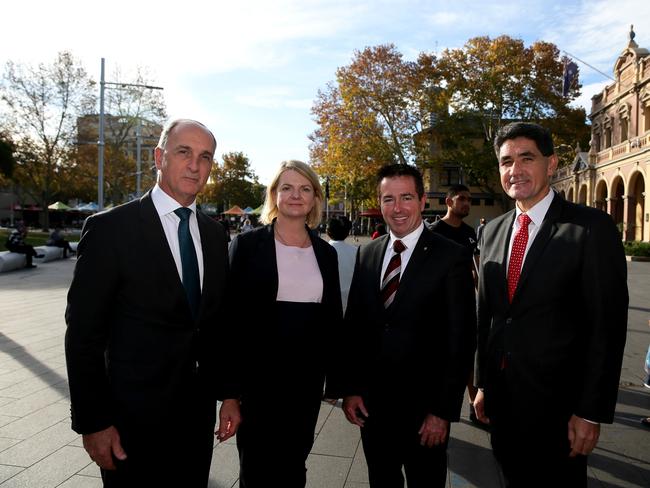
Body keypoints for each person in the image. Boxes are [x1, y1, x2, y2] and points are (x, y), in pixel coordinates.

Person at [65, 119, 241, 487]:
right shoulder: (110, 229)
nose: (195, 165)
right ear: (159, 157)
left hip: (195, 421)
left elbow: (217, 325)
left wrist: (228, 394)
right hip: (130, 425)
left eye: (205, 157)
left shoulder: (213, 234)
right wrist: (94, 422)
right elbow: (84, 336)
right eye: (184, 152)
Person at [474, 122, 628, 487]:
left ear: (553, 163)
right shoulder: (491, 231)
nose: (515, 170)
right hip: (504, 404)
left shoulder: (591, 228)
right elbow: (488, 317)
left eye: (527, 158)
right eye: (506, 161)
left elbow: (606, 327)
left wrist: (590, 412)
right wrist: (482, 383)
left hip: (560, 412)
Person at [331, 164, 476, 487]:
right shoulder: (367, 253)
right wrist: (350, 390)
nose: (397, 208)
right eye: (388, 199)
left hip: (426, 413)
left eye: (406, 197)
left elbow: (461, 339)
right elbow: (354, 326)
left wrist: (442, 412)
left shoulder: (451, 256)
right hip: (372, 408)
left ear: (423, 201)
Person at [227, 160, 343, 487]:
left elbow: (332, 319)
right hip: (257, 385)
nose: (296, 195)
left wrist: (337, 381)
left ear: (315, 198)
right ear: (274, 194)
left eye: (305, 188)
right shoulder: (247, 246)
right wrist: (230, 394)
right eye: (287, 187)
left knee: (295, 466)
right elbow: (230, 321)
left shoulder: (325, 253)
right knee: (256, 469)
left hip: (304, 384)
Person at [429, 184, 483, 426]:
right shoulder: (433, 231)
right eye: (462, 199)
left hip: (467, 304)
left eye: (469, 200)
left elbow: (477, 265)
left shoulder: (471, 232)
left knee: (470, 355)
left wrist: (481, 289)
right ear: (448, 202)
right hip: (438, 306)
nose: (466, 204)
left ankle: (475, 406)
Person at [326, 217, 358, 314]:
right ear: (347, 233)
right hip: (351, 302)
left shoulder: (322, 250)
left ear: (327, 232)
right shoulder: (357, 252)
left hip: (327, 304)